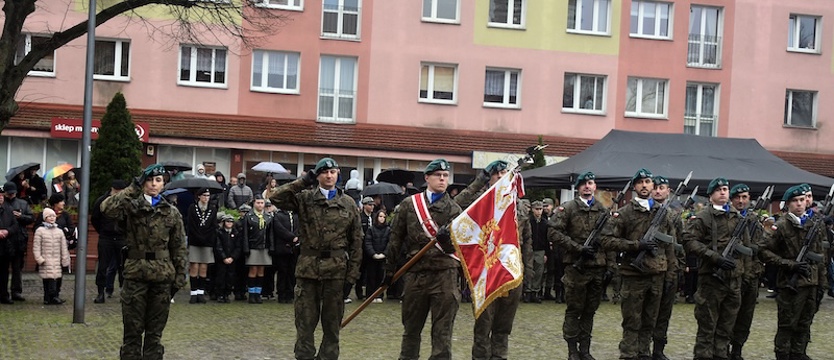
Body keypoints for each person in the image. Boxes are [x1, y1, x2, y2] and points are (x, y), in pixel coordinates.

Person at [269, 157, 363, 360]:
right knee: (304, 324)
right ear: (317, 176)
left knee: (332, 327)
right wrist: (303, 181)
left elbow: (356, 243)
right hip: (308, 270)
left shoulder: (348, 203)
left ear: (338, 174)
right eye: (324, 172)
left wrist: (351, 278)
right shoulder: (304, 198)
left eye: (333, 172)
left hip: (336, 272)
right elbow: (275, 198)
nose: (329, 176)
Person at [100, 163, 187, 360]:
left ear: (164, 184)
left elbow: (179, 246)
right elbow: (107, 209)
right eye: (149, 180)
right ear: (143, 183)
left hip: (162, 276)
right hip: (135, 274)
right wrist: (133, 187)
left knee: (155, 333)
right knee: (132, 330)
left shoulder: (171, 212)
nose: (154, 184)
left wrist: (180, 277)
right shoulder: (131, 207)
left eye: (158, 181)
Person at [385, 158, 462, 360]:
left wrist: (446, 242)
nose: (442, 179)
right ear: (427, 178)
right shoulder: (410, 205)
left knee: (442, 333)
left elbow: (462, 248)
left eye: (446, 176)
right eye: (438, 175)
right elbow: (395, 239)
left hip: (445, 275)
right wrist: (389, 271)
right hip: (416, 274)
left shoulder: (455, 210)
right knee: (411, 329)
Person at [601, 168, 675, 360]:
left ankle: (644, 353)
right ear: (634, 187)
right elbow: (607, 241)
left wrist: (671, 275)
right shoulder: (625, 213)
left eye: (648, 181)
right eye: (640, 182)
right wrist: (636, 245)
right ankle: (628, 354)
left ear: (653, 185)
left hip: (657, 274)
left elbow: (670, 246)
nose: (644, 185)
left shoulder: (664, 213)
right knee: (632, 320)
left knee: (650, 320)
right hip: (633, 275)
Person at [759, 185, 828, 360]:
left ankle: (799, 353)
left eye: (802, 200)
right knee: (787, 323)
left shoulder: (814, 224)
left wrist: (822, 283)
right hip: (791, 284)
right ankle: (783, 354)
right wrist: (789, 264)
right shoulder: (781, 226)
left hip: (811, 283)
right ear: (788, 204)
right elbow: (764, 251)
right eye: (795, 201)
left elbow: (821, 256)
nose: (799, 204)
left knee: (805, 323)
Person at [682, 177, 748, 360]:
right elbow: (689, 241)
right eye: (718, 190)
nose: (723, 192)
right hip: (711, 278)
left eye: (725, 189)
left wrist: (744, 273)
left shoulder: (737, 216)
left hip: (733, 279)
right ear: (711, 195)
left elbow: (747, 248)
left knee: (726, 327)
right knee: (707, 326)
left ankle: (721, 355)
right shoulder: (704, 217)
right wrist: (714, 258)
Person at [549, 171, 609, 360]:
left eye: (590, 183)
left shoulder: (602, 210)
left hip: (597, 268)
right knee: (574, 309)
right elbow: (553, 232)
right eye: (583, 183)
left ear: (594, 186)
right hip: (576, 267)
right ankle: (572, 350)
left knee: (590, 311)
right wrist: (577, 248)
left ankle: (585, 349)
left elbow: (611, 239)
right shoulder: (568, 208)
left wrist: (611, 266)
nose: (587, 186)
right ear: (578, 187)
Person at [727, 183, 764, 360]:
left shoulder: (754, 220)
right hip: (733, 273)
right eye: (737, 198)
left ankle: (737, 348)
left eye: (744, 197)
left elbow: (762, 245)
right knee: (729, 313)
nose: (741, 201)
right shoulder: (726, 217)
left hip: (752, 273)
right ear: (731, 199)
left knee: (746, 315)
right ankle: (723, 346)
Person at [648, 175, 682, 360]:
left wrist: (677, 269)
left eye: (662, 187)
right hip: (649, 269)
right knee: (647, 313)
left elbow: (681, 243)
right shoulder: (646, 211)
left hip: (669, 269)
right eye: (656, 187)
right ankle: (642, 348)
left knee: (664, 313)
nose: (658, 190)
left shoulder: (674, 216)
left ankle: (659, 349)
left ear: (668, 191)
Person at [91, 180, 128, 303]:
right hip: (106, 238)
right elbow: (95, 219)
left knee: (123, 266)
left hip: (121, 238)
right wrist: (103, 231)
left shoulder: (126, 202)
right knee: (103, 266)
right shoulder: (102, 201)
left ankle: (124, 292)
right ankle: (100, 293)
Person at [32, 207, 70, 305]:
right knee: (47, 279)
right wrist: (39, 258)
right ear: (45, 218)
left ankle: (54, 296)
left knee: (56, 278)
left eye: (53, 216)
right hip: (46, 259)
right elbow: (36, 246)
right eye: (49, 216)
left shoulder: (59, 231)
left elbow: (63, 247)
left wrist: (65, 258)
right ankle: (48, 297)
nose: (52, 218)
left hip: (57, 259)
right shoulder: (40, 231)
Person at [186, 189, 218, 304]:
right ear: (199, 196)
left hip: (207, 242)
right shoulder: (192, 208)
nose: (206, 198)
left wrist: (206, 238)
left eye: (208, 195)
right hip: (195, 241)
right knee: (194, 266)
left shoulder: (213, 209)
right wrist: (198, 236)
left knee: (203, 267)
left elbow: (213, 226)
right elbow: (191, 224)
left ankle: (201, 292)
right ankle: (193, 293)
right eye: (204, 195)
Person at [240, 195, 273, 304]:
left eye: (262, 203)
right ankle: (251, 294)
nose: (260, 205)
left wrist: (271, 246)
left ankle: (258, 293)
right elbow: (245, 234)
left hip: (264, 247)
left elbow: (271, 234)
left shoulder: (268, 217)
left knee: (261, 270)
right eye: (258, 203)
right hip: (253, 246)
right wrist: (246, 248)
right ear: (254, 203)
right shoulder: (249, 216)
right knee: (253, 270)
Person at [4, 182, 33, 302]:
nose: (11, 195)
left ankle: (16, 291)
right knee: (3, 268)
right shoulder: (3, 204)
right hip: (5, 240)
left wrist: (21, 217)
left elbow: (31, 218)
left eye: (12, 193)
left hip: (19, 240)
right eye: (9, 193)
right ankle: (3, 292)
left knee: (17, 268)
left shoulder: (23, 203)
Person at [271, 205, 299, 303]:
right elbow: (279, 229)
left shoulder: (296, 215)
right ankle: (281, 294)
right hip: (282, 247)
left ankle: (290, 293)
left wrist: (295, 238)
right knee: (282, 271)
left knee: (292, 271)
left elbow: (300, 227)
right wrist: (291, 237)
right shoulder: (278, 215)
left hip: (294, 247)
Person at [214, 214, 242, 303]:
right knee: (220, 276)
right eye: (227, 221)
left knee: (230, 277)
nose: (229, 223)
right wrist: (224, 257)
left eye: (231, 222)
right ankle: (220, 294)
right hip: (221, 259)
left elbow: (238, 247)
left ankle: (227, 293)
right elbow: (218, 246)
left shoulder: (236, 233)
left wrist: (233, 257)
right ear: (224, 222)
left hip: (232, 259)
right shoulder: (219, 232)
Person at [364, 209, 390, 303]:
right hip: (372, 257)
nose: (382, 218)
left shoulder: (388, 229)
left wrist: (384, 254)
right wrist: (373, 254)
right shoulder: (371, 229)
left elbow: (390, 243)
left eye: (384, 217)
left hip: (383, 257)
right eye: (380, 216)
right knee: (371, 276)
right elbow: (368, 242)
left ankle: (379, 294)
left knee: (380, 277)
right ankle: (370, 295)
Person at [0, 186, 20, 305]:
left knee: (4, 272)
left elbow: (15, 225)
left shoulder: (8, 209)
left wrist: (7, 231)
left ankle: (4, 295)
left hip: (5, 247)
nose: (1, 198)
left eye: (2, 196)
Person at [526, 200, 548, 303]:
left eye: (540, 209)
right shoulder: (528, 221)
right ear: (532, 209)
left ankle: (535, 292)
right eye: (537, 209)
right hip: (529, 250)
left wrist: (546, 253)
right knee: (529, 271)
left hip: (540, 250)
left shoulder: (545, 223)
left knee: (539, 273)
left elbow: (547, 239)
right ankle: (527, 292)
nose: (539, 212)